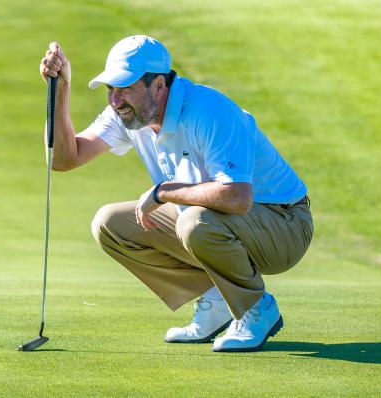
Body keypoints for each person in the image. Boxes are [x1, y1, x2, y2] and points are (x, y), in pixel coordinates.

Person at [38, 36, 313, 353]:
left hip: (285, 224)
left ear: (158, 85)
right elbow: (64, 158)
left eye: (125, 88)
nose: (116, 100)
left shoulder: (208, 110)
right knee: (110, 224)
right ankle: (217, 299)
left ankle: (255, 308)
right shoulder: (128, 114)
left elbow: (237, 197)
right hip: (217, 221)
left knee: (195, 222)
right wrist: (60, 90)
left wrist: (165, 191)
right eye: (111, 89)